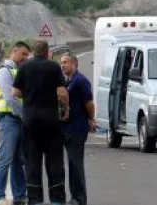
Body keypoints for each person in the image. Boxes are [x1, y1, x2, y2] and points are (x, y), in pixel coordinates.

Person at [12, 39, 69, 205]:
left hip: (30, 120)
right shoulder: (53, 67)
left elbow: (15, 92)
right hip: (50, 120)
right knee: (54, 161)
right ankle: (57, 199)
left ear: (33, 53)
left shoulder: (24, 67)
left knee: (32, 162)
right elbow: (62, 93)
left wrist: (29, 96)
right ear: (47, 52)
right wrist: (65, 109)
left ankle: (35, 199)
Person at [0, 41, 31, 205]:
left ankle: (20, 195)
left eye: (26, 55)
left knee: (18, 160)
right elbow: (10, 98)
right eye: (22, 54)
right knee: (5, 158)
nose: (25, 58)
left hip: (18, 120)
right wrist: (25, 115)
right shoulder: (5, 71)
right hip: (9, 119)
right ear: (13, 51)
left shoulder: (19, 70)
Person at [60, 54, 96, 205]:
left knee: (76, 164)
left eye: (66, 62)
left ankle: (80, 199)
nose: (63, 65)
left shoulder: (80, 81)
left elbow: (89, 103)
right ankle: (74, 197)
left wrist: (91, 119)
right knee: (71, 164)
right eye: (61, 63)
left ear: (74, 64)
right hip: (68, 127)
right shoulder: (68, 81)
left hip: (77, 128)